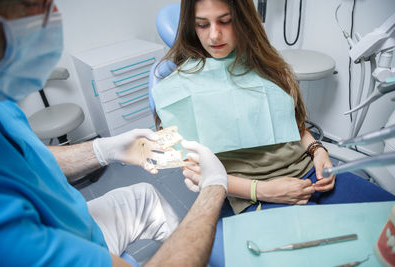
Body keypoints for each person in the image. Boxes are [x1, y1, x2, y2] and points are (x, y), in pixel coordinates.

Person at [151, 0, 395, 266]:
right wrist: (265, 191)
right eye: (202, 24)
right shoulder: (178, 89)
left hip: (311, 174)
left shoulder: (267, 64)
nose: (214, 35)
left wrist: (318, 150)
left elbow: (293, 124)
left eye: (225, 20)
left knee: (386, 224)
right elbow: (198, 174)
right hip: (251, 195)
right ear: (191, 26)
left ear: (244, 19)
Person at [0, 1, 228, 266]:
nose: (54, 14)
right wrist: (214, 190)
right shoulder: (4, 232)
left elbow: (27, 158)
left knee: (146, 198)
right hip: (60, 238)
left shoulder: (1, 104)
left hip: (73, 218)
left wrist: (105, 149)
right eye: (34, 4)